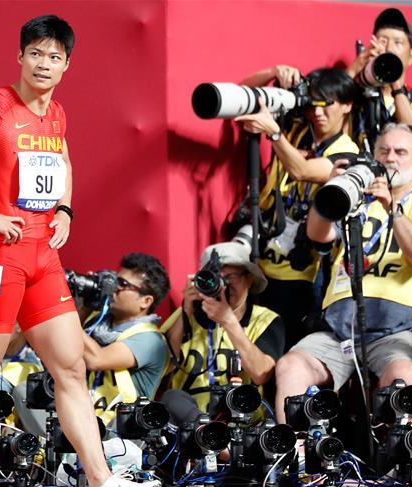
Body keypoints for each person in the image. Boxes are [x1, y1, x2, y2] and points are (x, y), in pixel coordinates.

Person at [0, 14, 159, 487]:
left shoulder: (56, 113)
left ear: (66, 65)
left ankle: (100, 480)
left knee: (71, 368)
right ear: (20, 56)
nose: (44, 63)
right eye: (36, 53)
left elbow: (63, 163)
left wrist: (66, 211)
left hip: (43, 256)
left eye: (55, 57)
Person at [274, 123, 412, 423]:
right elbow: (318, 235)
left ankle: (401, 464)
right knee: (290, 365)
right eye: (384, 151)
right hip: (341, 328)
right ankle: (294, 458)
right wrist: (331, 187)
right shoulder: (355, 199)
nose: (390, 158)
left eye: (400, 152)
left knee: (404, 374)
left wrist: (392, 209)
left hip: (399, 328)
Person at [235, 67, 359, 350]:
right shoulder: (298, 128)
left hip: (302, 275)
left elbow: (302, 170)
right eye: (314, 103)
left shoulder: (347, 151)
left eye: (328, 104)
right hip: (261, 260)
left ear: (347, 106)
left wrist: (276, 134)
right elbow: (243, 92)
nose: (318, 112)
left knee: (283, 349)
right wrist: (273, 71)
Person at [161, 240, 284, 425]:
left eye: (231, 276)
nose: (223, 285)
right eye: (216, 276)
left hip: (244, 424)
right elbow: (161, 366)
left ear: (249, 279)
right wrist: (186, 309)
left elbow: (261, 373)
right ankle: (209, 433)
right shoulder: (186, 315)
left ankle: (217, 441)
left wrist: (228, 320)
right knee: (171, 397)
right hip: (188, 424)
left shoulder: (265, 319)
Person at [83, 253, 170, 425]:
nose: (114, 287)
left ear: (145, 301)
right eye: (114, 280)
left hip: (119, 436)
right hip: (81, 417)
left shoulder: (150, 339)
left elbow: (96, 359)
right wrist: (87, 300)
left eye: (122, 284)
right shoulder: (95, 322)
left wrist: (65, 312)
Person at [347, 8, 412, 156]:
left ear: (411, 56)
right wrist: (354, 69)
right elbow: (326, 108)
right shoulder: (353, 95)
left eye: (397, 43)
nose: (388, 49)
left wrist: (397, 85)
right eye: (382, 41)